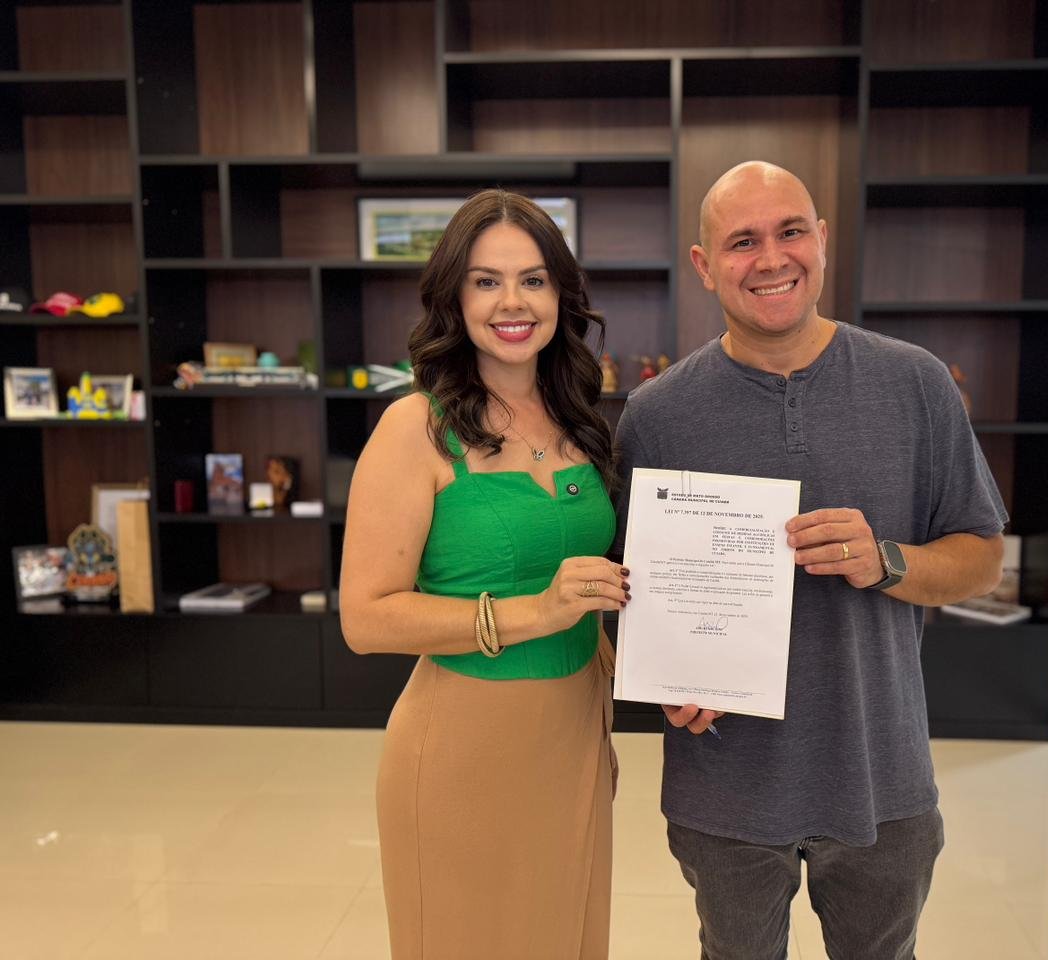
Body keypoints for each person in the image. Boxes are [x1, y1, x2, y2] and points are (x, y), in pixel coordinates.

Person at [612, 161, 1008, 960]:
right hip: (724, 785)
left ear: (822, 241)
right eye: (742, 241)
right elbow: (630, 591)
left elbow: (982, 558)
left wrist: (886, 560)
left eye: (791, 231)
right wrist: (664, 680)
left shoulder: (917, 384)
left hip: (880, 774)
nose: (771, 258)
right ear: (704, 265)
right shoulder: (656, 414)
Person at [340, 188, 627, 960]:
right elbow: (365, 617)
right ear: (454, 298)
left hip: (572, 734)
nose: (513, 302)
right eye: (486, 281)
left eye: (533, 279)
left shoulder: (580, 421)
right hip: (464, 749)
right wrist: (535, 612)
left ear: (560, 295)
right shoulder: (415, 427)